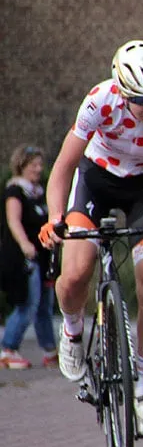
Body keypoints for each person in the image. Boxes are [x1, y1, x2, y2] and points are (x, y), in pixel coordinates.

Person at [39, 41, 143, 437]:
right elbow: (63, 167)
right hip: (96, 180)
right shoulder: (98, 101)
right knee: (75, 273)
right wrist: (56, 218)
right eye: (140, 99)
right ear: (121, 91)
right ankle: (73, 330)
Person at [0, 146, 55, 368]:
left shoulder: (38, 192)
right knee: (28, 304)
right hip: (24, 257)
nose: (38, 169)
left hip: (43, 257)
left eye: (40, 165)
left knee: (45, 305)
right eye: (34, 165)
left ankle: (50, 351)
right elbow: (13, 221)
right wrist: (25, 244)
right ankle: (8, 349)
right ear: (22, 166)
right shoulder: (15, 192)